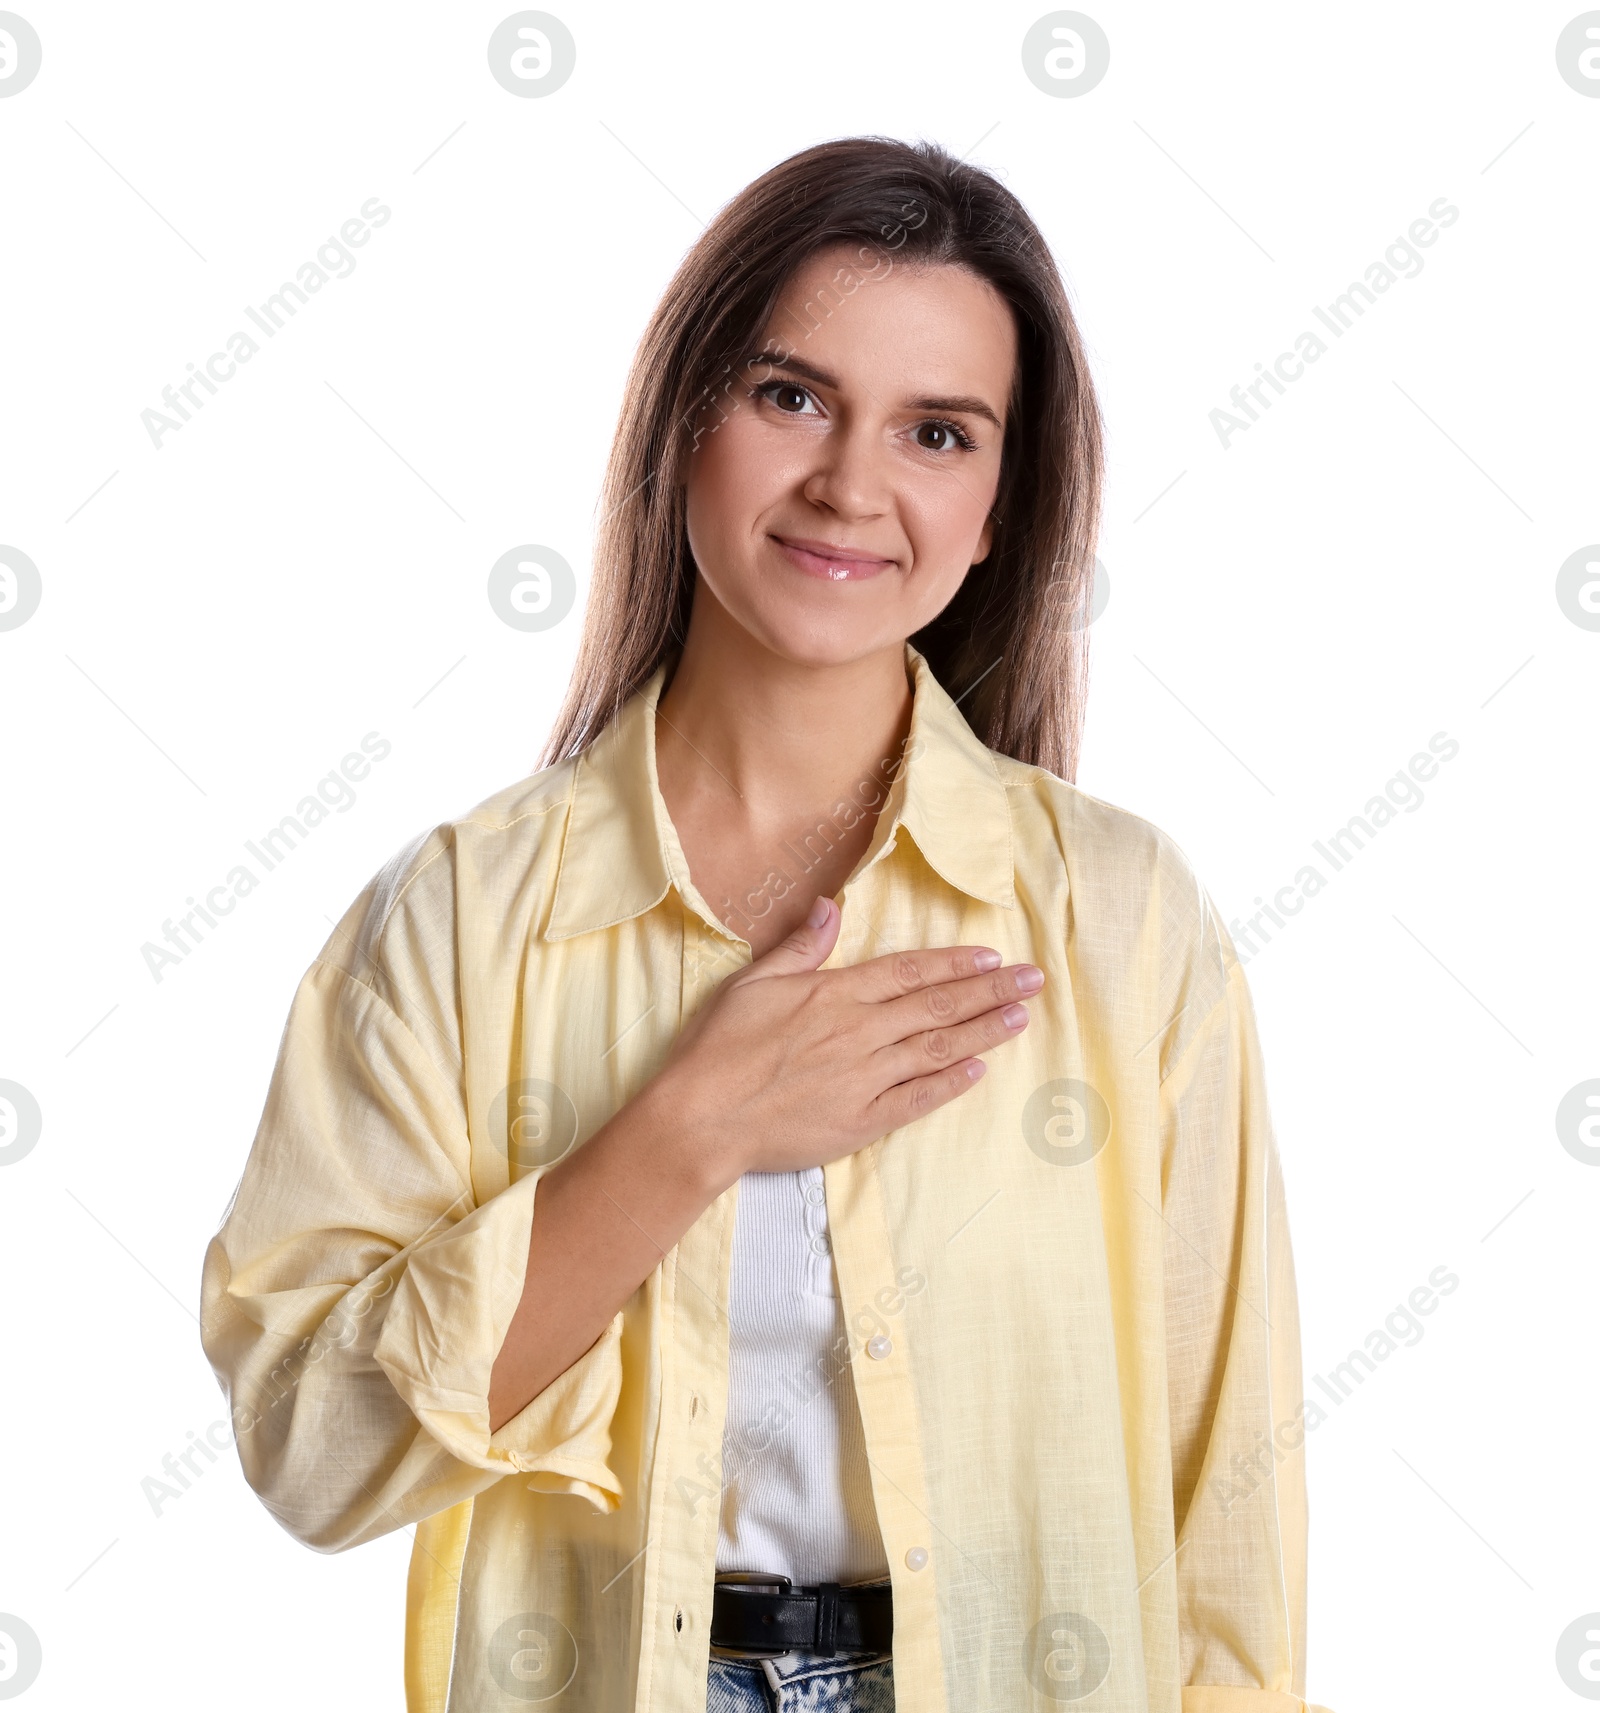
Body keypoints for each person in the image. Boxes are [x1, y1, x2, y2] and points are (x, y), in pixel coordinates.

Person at [200, 136, 1331, 1713]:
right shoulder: (460, 917)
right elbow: (312, 1449)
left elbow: (1230, 1500)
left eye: (937, 431)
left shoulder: (1123, 921)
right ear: (684, 425)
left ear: (1003, 504)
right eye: (790, 395)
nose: (851, 485)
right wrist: (683, 1129)